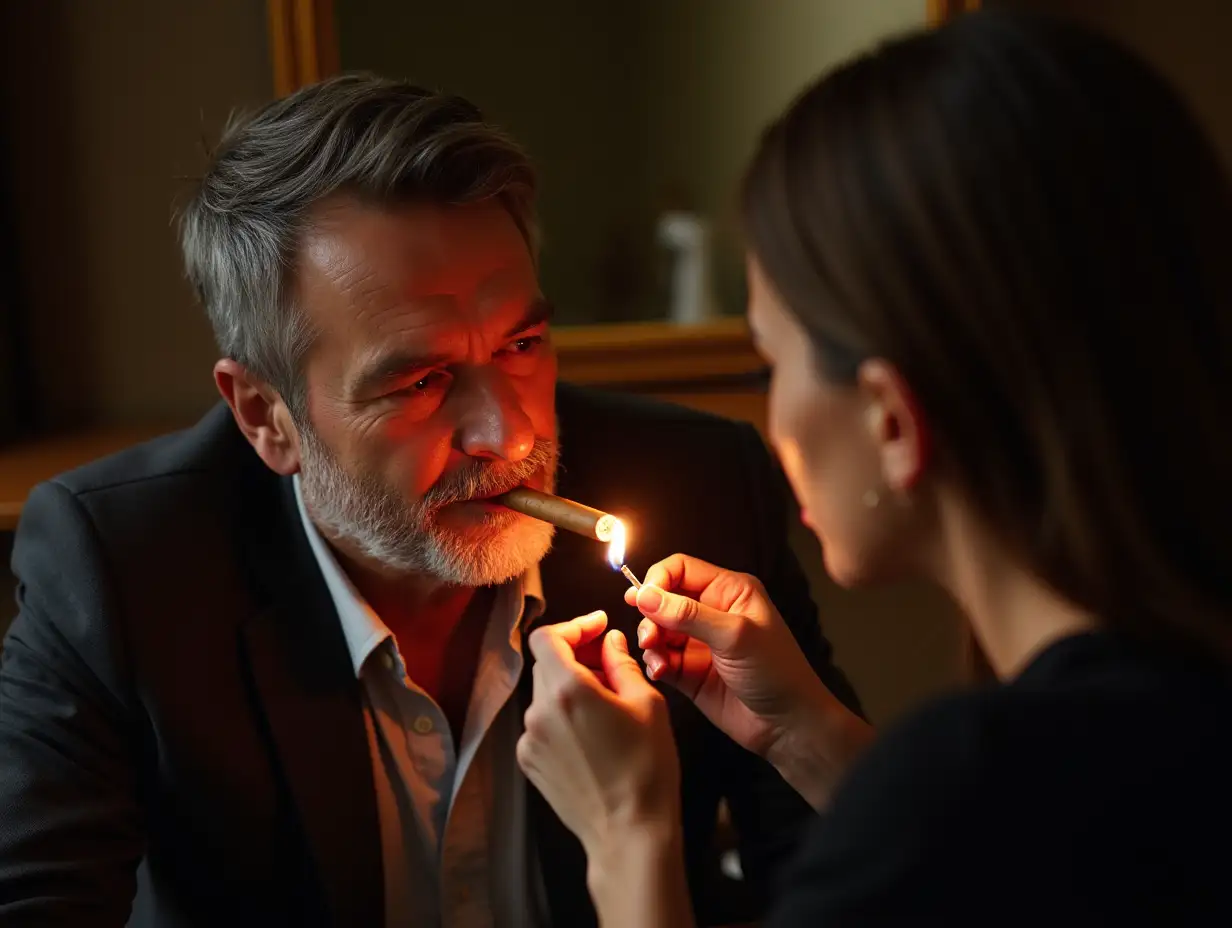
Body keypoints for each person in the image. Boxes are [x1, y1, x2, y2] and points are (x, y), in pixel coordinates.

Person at [0, 76, 866, 927]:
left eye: (523, 342)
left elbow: (863, 882)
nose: (510, 434)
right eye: (421, 380)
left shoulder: (702, 486)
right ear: (267, 417)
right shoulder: (121, 564)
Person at [516, 10, 1232, 926]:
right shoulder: (1155, 713)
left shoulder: (971, 775)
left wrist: (625, 831)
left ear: (892, 419)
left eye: (773, 364)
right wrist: (806, 737)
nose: (773, 422)